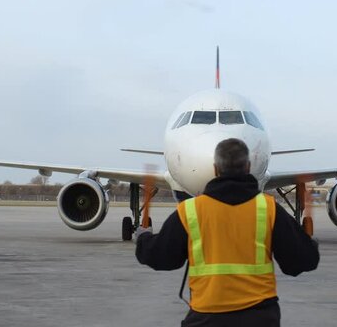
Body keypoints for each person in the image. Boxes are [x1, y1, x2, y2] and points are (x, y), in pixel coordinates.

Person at [136, 138, 319, 327]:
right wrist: (309, 244)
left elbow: (161, 258)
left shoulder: (190, 211)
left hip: (207, 318)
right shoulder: (268, 209)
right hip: (260, 318)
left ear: (216, 169)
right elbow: (300, 263)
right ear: (248, 167)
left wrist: (143, 238)